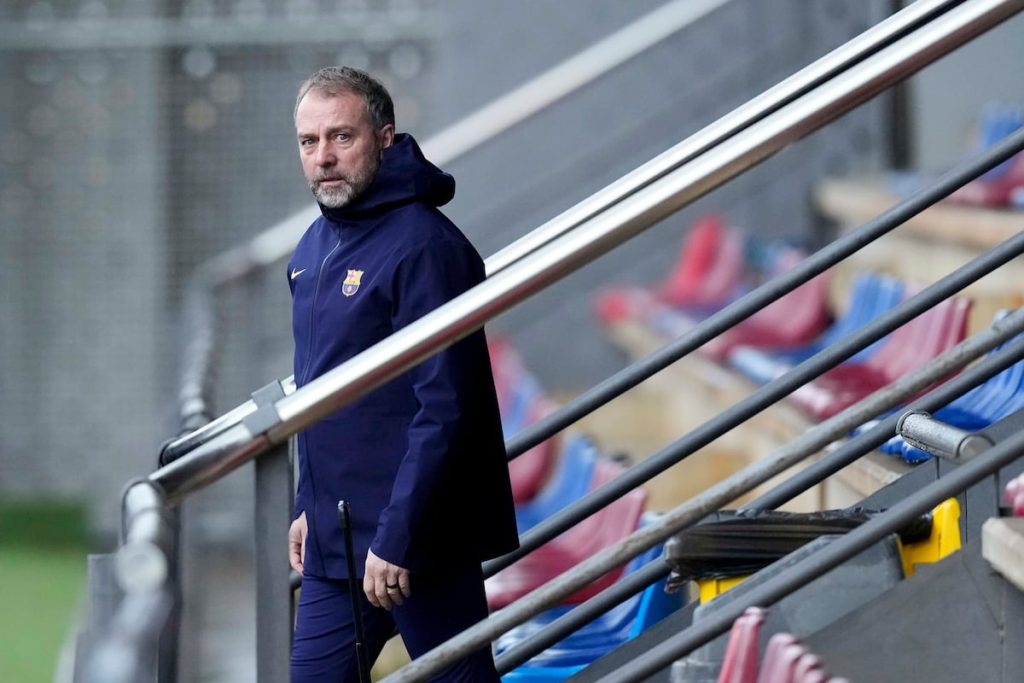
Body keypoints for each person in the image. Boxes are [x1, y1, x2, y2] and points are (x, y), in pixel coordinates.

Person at [286, 66, 519, 682]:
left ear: (384, 139)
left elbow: (447, 405)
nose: (323, 157)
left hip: (417, 541)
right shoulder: (313, 247)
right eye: (309, 141)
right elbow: (318, 390)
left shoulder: (425, 246)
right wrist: (310, 503)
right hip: (337, 536)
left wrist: (399, 536)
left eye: (342, 137)